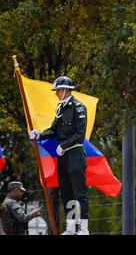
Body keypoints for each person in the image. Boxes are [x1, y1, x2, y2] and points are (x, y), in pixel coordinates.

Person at [29, 76, 89, 234]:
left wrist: (64, 145)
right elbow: (54, 129)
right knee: (66, 193)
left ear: (65, 90)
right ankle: (70, 227)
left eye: (57, 91)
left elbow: (80, 134)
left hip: (75, 153)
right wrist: (39, 135)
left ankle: (83, 228)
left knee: (79, 193)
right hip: (63, 157)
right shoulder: (60, 109)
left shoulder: (79, 107)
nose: (56, 93)